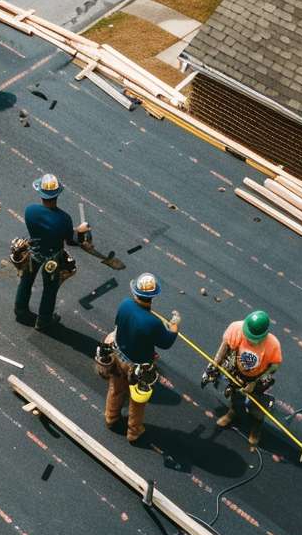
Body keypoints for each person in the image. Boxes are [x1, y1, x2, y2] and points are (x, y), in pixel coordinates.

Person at [99, 273, 179, 444]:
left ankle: (111, 418)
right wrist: (174, 326)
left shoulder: (125, 304)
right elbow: (166, 343)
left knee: (115, 388)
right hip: (137, 367)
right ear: (153, 297)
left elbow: (120, 325)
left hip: (117, 354)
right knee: (137, 401)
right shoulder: (153, 322)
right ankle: (134, 432)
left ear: (136, 293)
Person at [11, 174, 88, 330]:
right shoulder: (64, 219)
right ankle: (44, 320)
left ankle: (20, 310)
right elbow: (70, 241)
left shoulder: (30, 211)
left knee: (26, 281)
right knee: (50, 290)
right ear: (57, 194)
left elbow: (46, 228)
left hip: (33, 252)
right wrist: (80, 231)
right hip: (52, 258)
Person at [204, 309, 282, 446]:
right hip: (236, 372)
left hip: (258, 378)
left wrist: (255, 381)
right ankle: (232, 413)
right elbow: (224, 347)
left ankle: (256, 428)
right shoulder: (235, 328)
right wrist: (214, 365)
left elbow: (274, 368)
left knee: (256, 408)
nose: (250, 341)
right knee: (235, 396)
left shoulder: (273, 345)